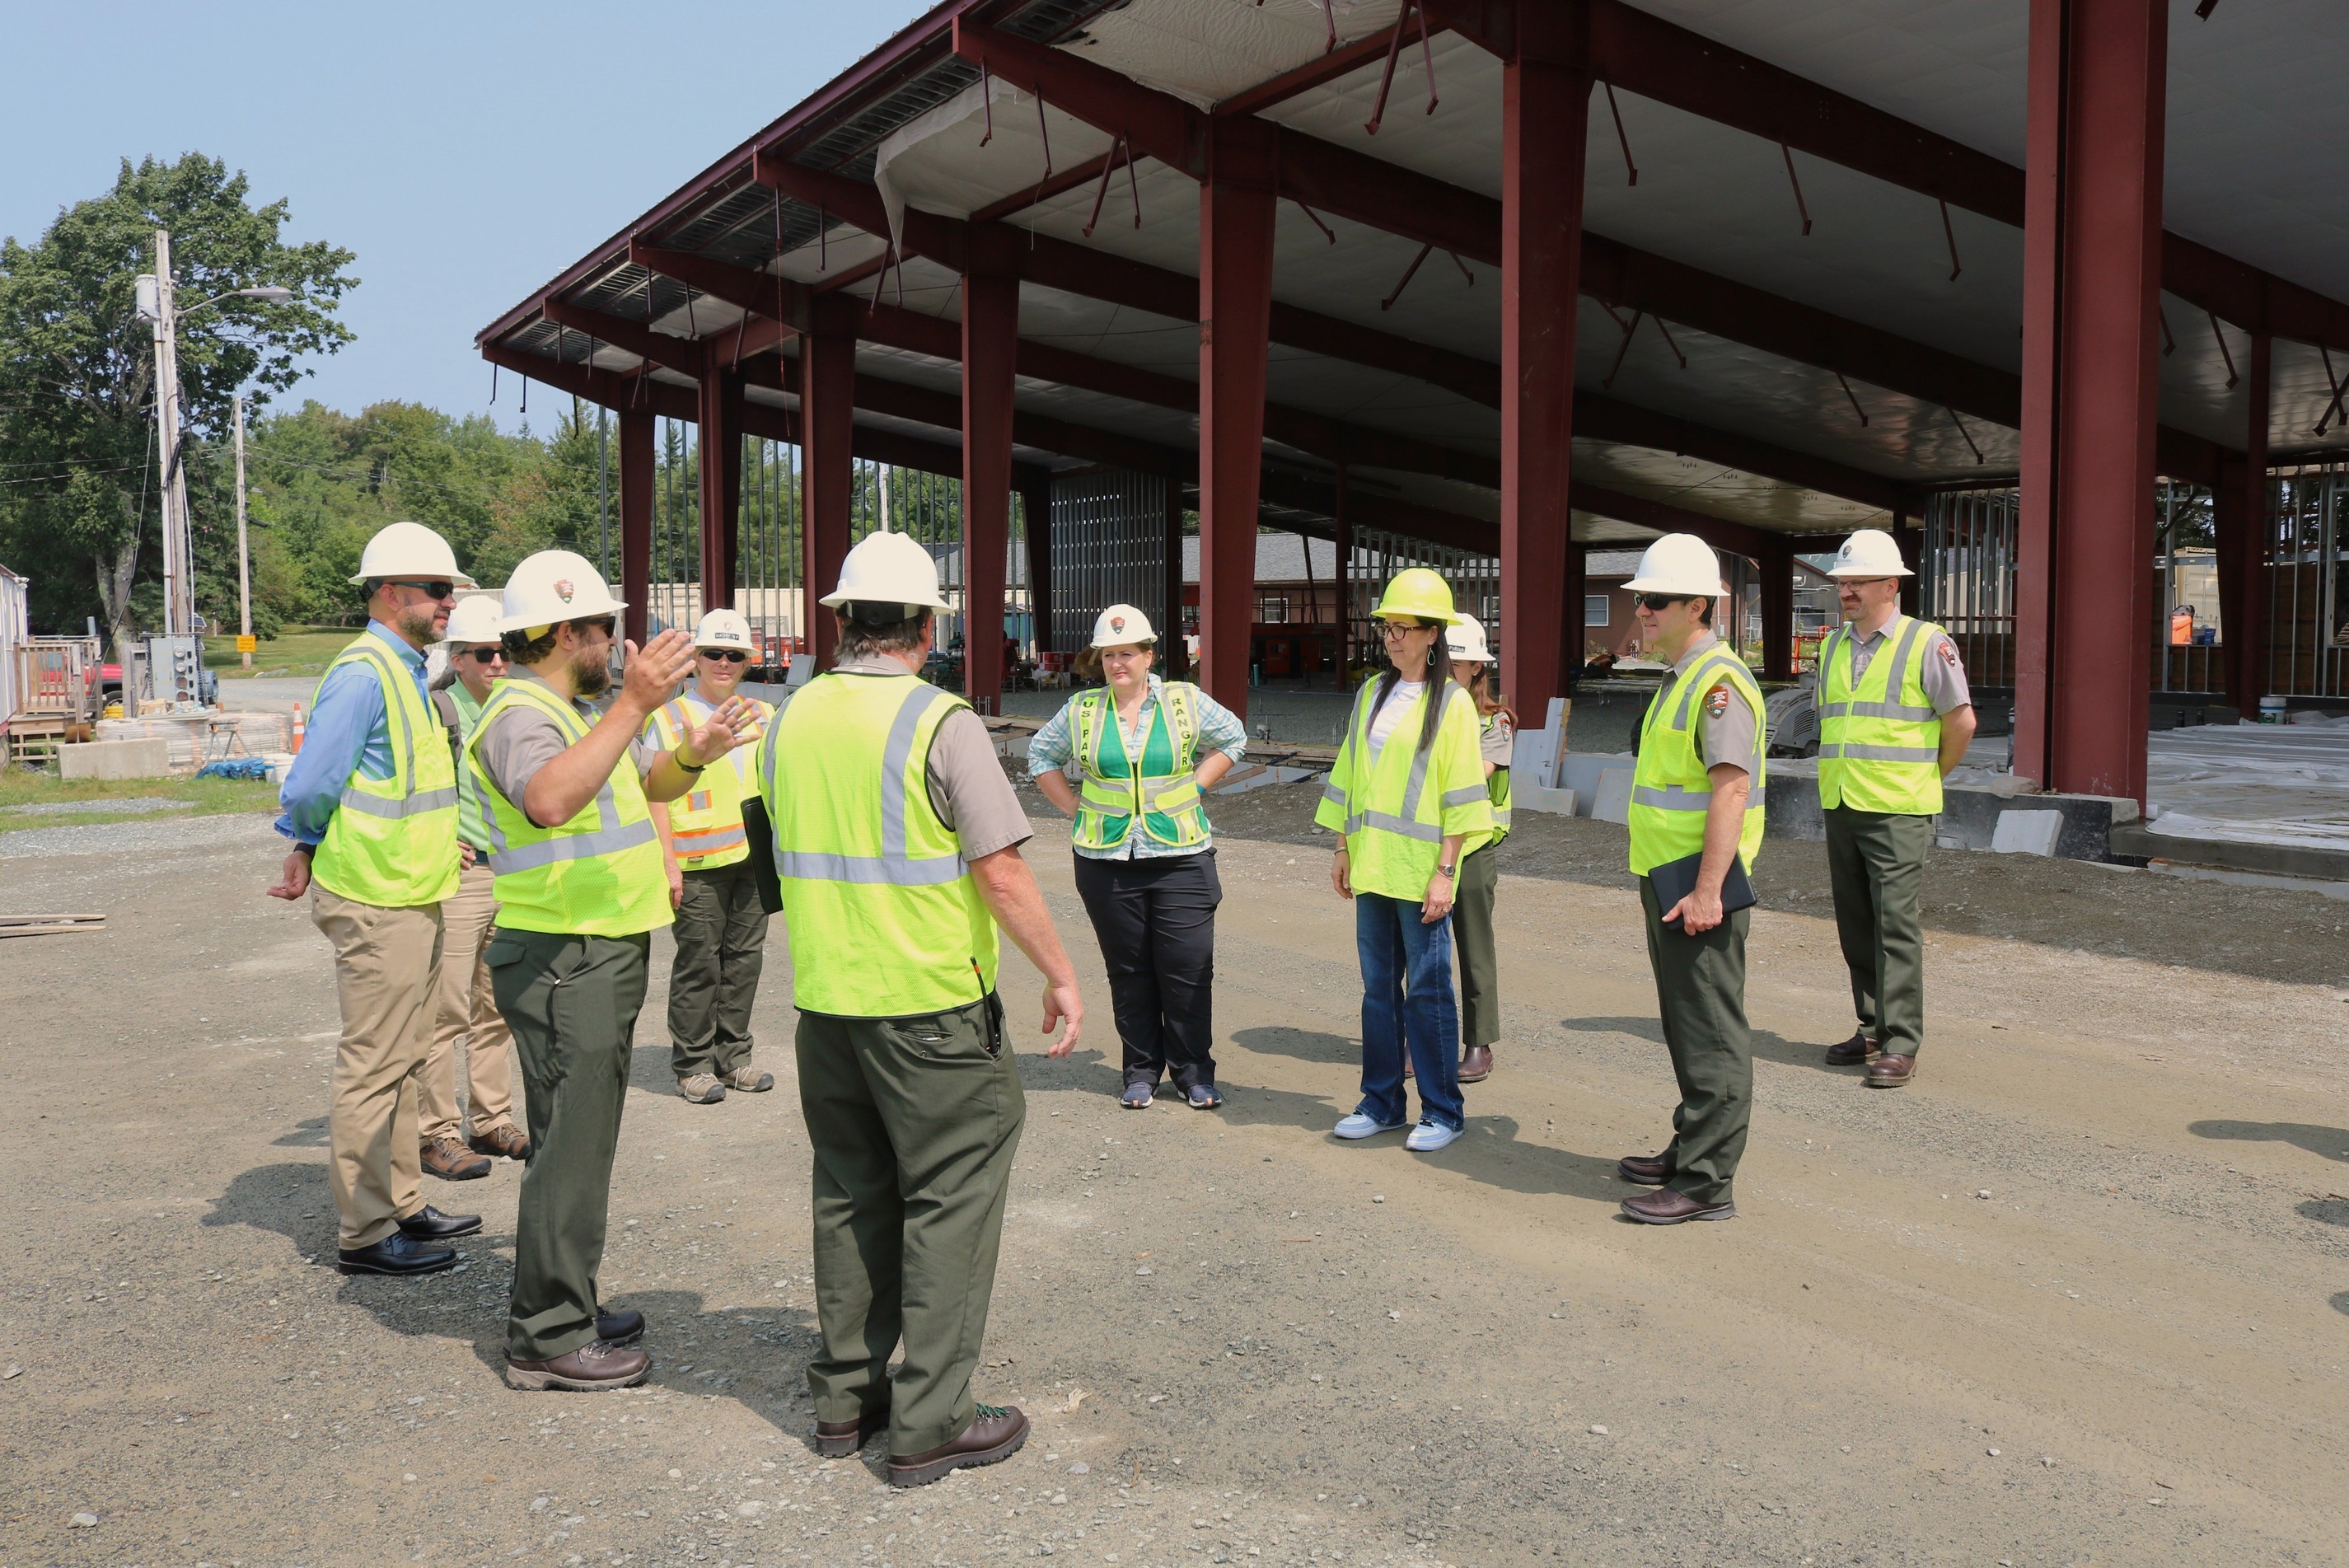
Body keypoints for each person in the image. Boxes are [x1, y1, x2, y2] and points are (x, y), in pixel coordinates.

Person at [756, 529, 1084, 1488]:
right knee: (950, 1194)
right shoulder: (941, 723)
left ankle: (844, 1400)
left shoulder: (790, 717)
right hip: (931, 1009)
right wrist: (1061, 971)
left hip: (827, 1003)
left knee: (852, 1192)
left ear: (844, 620)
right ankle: (932, 1418)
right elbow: (1002, 870)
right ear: (927, 623)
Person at [467, 550, 760, 1392]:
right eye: (604, 627)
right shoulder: (524, 713)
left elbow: (641, 787)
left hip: (590, 951)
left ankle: (564, 1304)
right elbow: (550, 800)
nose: (614, 642)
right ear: (566, 631)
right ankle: (548, 1336)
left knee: (580, 1143)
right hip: (565, 957)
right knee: (570, 1149)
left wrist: (694, 749)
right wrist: (635, 704)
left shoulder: (571, 711)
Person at [267, 521, 481, 1277]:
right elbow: (317, 781)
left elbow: (404, 790)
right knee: (373, 1065)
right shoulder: (365, 673)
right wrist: (301, 842)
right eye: (437, 589)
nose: (449, 601)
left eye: (449, 588)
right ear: (393, 594)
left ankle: (401, 1201)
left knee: (406, 1059)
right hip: (377, 897)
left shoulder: (406, 670)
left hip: (412, 887)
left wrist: (437, 843)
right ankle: (364, 1231)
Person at [1027, 604, 1247, 1110]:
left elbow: (1233, 736)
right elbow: (1041, 755)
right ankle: (1141, 1071)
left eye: (1127, 653)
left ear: (1150, 656)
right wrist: (1072, 807)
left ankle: (1194, 1073)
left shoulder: (1185, 701)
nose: (1117, 663)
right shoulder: (1083, 709)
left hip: (1181, 858)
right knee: (1129, 969)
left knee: (1187, 967)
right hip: (1106, 858)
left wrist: (1197, 786)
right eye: (1108, 655)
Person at [1612, 535, 1766, 1225]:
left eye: (1654, 601)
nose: (1641, 611)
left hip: (1695, 885)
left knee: (1710, 1028)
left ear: (1696, 606)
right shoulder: (1681, 675)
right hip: (1667, 875)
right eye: (1639, 599)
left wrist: (1708, 890)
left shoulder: (1717, 684)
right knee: (1685, 1022)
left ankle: (1707, 1182)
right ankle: (1691, 1146)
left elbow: (1729, 791)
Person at [1313, 568, 1494, 1154]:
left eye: (1403, 627)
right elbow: (1348, 777)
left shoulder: (1455, 705)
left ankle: (1442, 1110)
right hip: (1371, 867)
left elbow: (1464, 795)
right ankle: (1382, 1101)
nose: (1390, 637)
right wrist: (1341, 846)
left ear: (1432, 634)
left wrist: (1445, 871)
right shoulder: (1371, 693)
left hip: (1421, 874)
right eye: (1386, 626)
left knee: (1428, 994)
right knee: (1377, 993)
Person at [1814, 527, 1977, 1088]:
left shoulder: (1926, 643)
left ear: (1890, 584)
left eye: (1857, 582)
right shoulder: (1832, 646)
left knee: (1894, 926)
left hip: (1898, 811)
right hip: (1841, 802)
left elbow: (1961, 722)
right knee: (1855, 923)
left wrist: (1928, 776)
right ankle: (1872, 1026)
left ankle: (1901, 1039)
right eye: (1842, 582)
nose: (1846, 591)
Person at [645, 608, 775, 1105]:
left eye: (734, 655)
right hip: (697, 863)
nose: (724, 662)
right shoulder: (669, 718)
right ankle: (694, 1064)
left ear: (747, 662)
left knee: (744, 961)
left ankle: (734, 1057)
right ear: (696, 658)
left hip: (752, 860)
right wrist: (667, 859)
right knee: (700, 963)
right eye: (714, 653)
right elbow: (654, 793)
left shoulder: (764, 715)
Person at [419, 593, 528, 1181]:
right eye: (484, 653)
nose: (497, 664)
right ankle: (435, 1132)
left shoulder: (514, 708)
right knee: (446, 1009)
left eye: (504, 652)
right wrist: (437, 839)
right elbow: (409, 784)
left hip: (509, 872)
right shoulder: (438, 710)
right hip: (461, 878)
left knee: (497, 1006)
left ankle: (491, 1118)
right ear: (456, 658)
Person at [1444, 617, 1513, 1084]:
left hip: (1472, 848)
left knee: (1473, 948)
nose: (1451, 670)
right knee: (1422, 951)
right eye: (1445, 661)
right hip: (1424, 845)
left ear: (1476, 668)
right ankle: (1424, 1037)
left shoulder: (1495, 722)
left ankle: (1478, 1043)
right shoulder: (1419, 712)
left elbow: (1473, 775)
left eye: (1459, 662)